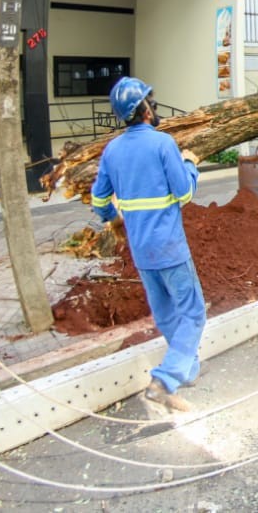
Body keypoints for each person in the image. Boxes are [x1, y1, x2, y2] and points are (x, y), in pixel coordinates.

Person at [90, 77, 203, 412]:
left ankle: (186, 370)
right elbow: (184, 193)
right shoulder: (163, 144)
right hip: (170, 247)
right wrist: (190, 163)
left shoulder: (112, 150)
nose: (154, 106)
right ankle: (165, 380)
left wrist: (114, 220)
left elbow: (99, 200)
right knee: (193, 313)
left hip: (141, 251)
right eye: (151, 102)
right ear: (145, 110)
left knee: (165, 313)